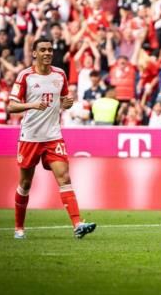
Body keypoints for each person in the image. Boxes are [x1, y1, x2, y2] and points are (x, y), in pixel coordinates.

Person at [8, 37, 96, 239]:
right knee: (25, 184)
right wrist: (31, 105)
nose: (48, 53)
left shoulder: (60, 75)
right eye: (43, 50)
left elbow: (64, 101)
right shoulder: (25, 76)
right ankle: (19, 228)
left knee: (64, 177)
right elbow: (11, 106)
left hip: (53, 137)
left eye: (50, 50)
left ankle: (77, 224)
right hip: (30, 137)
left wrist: (68, 103)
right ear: (35, 53)